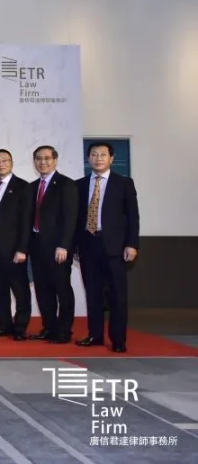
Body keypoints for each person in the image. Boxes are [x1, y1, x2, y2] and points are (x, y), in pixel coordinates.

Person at [75, 141, 139, 353]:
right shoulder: (80, 184)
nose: (98, 158)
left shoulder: (124, 183)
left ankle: (118, 339)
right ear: (88, 158)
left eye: (103, 155)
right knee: (92, 293)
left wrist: (132, 244)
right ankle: (95, 335)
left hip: (114, 246)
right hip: (88, 244)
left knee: (117, 295)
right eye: (94, 154)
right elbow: (75, 218)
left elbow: (132, 217)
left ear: (111, 158)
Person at [0, 149, 33, 341]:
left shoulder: (23, 187)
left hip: (14, 247)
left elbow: (26, 221)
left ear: (11, 163)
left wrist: (22, 249)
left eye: (4, 161)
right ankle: (4, 325)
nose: (0, 164)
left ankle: (20, 327)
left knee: (19, 289)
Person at [28, 145, 77, 344]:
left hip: (58, 247)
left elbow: (70, 218)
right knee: (43, 289)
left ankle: (64, 331)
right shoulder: (32, 187)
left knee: (62, 289)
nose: (43, 162)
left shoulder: (66, 184)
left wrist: (64, 245)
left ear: (55, 160)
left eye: (47, 158)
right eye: (39, 159)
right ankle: (49, 327)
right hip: (36, 245)